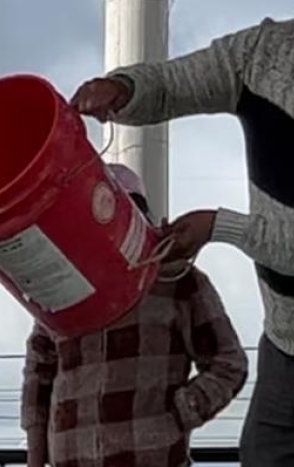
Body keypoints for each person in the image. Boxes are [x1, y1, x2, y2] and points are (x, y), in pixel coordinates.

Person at [71, 0, 294, 465]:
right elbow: (181, 80)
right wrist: (123, 88)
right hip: (284, 344)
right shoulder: (262, 55)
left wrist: (216, 226)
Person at [20, 164, 247, 467]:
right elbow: (39, 371)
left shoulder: (178, 280)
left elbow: (229, 364)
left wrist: (178, 414)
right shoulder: (65, 284)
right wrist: (36, 456)